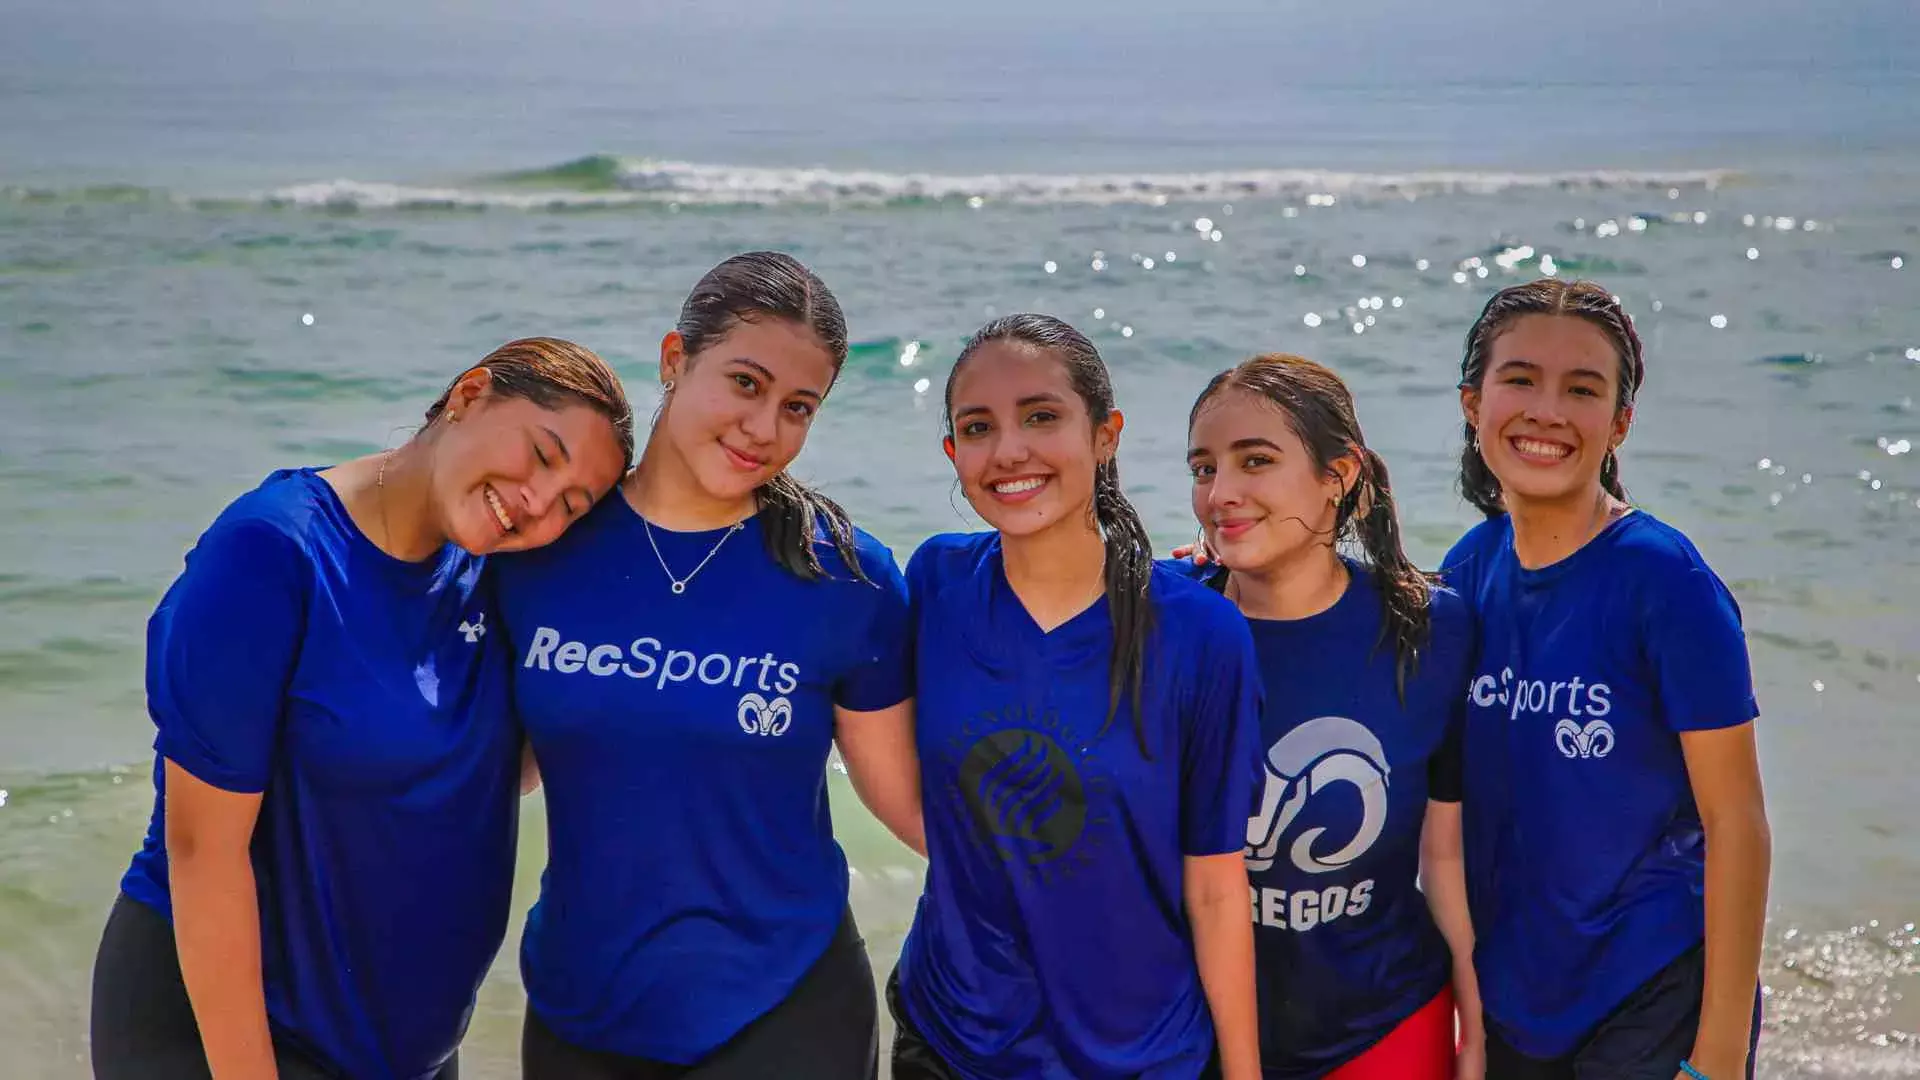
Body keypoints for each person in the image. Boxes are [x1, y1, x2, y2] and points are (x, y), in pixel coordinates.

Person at [91, 338, 635, 1080]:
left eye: (573, 504)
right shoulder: (274, 552)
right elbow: (202, 854)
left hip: (405, 1052)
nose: (539, 502)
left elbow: (499, 772)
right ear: (469, 395)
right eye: (541, 455)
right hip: (229, 1034)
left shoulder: (496, 579)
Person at [496, 251, 923, 1080]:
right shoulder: (539, 548)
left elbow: (910, 805)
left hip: (785, 1007)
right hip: (580, 1008)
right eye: (746, 383)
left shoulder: (845, 575)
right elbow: (482, 767)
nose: (765, 428)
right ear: (673, 360)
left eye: (798, 407)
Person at [889, 314, 1265, 1080]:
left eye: (1041, 416)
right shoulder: (935, 583)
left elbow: (1218, 888)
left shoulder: (1202, 633)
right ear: (953, 453)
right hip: (953, 1038)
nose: (1010, 451)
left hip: (1140, 1053)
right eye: (977, 427)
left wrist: (1244, 1072)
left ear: (1105, 434)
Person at [1441, 279, 1771, 1080]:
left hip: (1651, 988)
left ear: (1618, 422)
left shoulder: (1666, 581)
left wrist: (1718, 1058)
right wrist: (1221, 583)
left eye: (1582, 389)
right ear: (1471, 401)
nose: (1547, 411)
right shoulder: (1467, 570)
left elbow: (1738, 824)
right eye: (1520, 378)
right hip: (1516, 998)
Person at [1175, 353, 1484, 1080]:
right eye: (1203, 468)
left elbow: (1443, 854)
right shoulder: (1168, 622)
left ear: (1338, 476)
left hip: (1382, 1024)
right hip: (1199, 1033)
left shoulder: (1432, 631)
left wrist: (1474, 1030)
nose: (1221, 492)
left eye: (1255, 461)